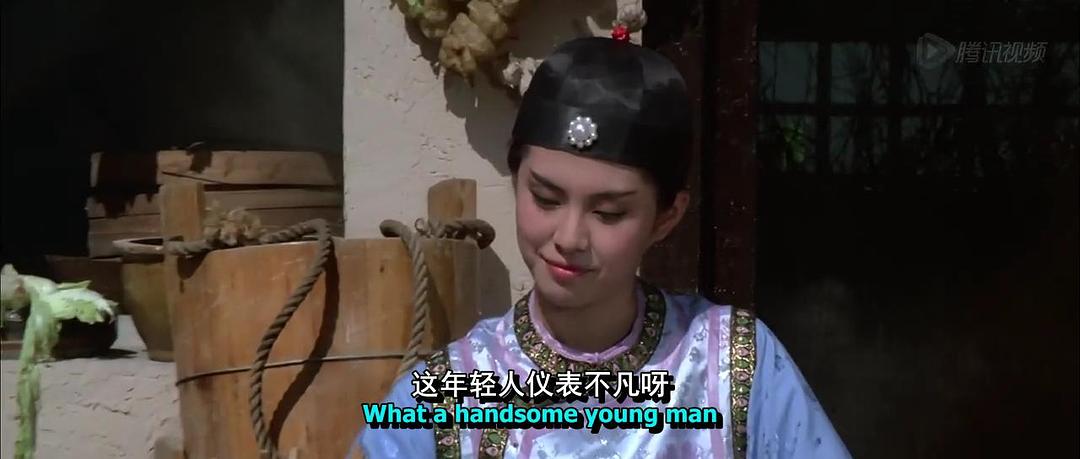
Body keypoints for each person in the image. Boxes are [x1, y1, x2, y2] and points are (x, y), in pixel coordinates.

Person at [353, 35, 849, 458]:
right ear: (516, 180)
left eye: (609, 213)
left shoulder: (734, 366)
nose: (569, 238)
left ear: (667, 217)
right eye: (546, 198)